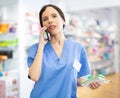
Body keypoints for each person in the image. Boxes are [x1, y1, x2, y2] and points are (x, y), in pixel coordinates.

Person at [27, 4, 101, 98]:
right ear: (43, 26)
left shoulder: (78, 48)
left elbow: (79, 78)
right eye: (45, 19)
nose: (50, 20)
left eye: (54, 16)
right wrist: (41, 45)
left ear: (63, 21)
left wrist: (90, 82)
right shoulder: (36, 49)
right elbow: (34, 76)